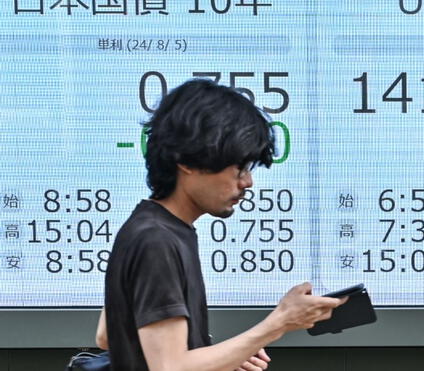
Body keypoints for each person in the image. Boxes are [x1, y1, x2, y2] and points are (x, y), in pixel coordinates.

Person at [96, 79, 347, 371]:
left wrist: (225, 356)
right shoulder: (157, 241)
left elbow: (109, 334)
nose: (247, 182)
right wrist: (278, 323)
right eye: (238, 168)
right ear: (187, 161)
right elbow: (170, 368)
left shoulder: (148, 227)